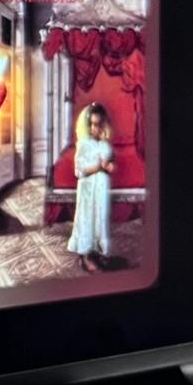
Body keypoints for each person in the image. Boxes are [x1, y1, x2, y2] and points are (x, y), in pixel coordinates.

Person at [67, 103, 115, 272]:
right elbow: (79, 170)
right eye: (92, 124)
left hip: (100, 188)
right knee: (86, 219)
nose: (95, 128)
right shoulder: (83, 144)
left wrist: (109, 167)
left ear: (103, 125)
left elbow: (110, 164)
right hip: (87, 188)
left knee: (99, 219)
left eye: (99, 124)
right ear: (87, 125)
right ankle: (84, 255)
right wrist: (98, 167)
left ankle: (97, 249)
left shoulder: (104, 145)